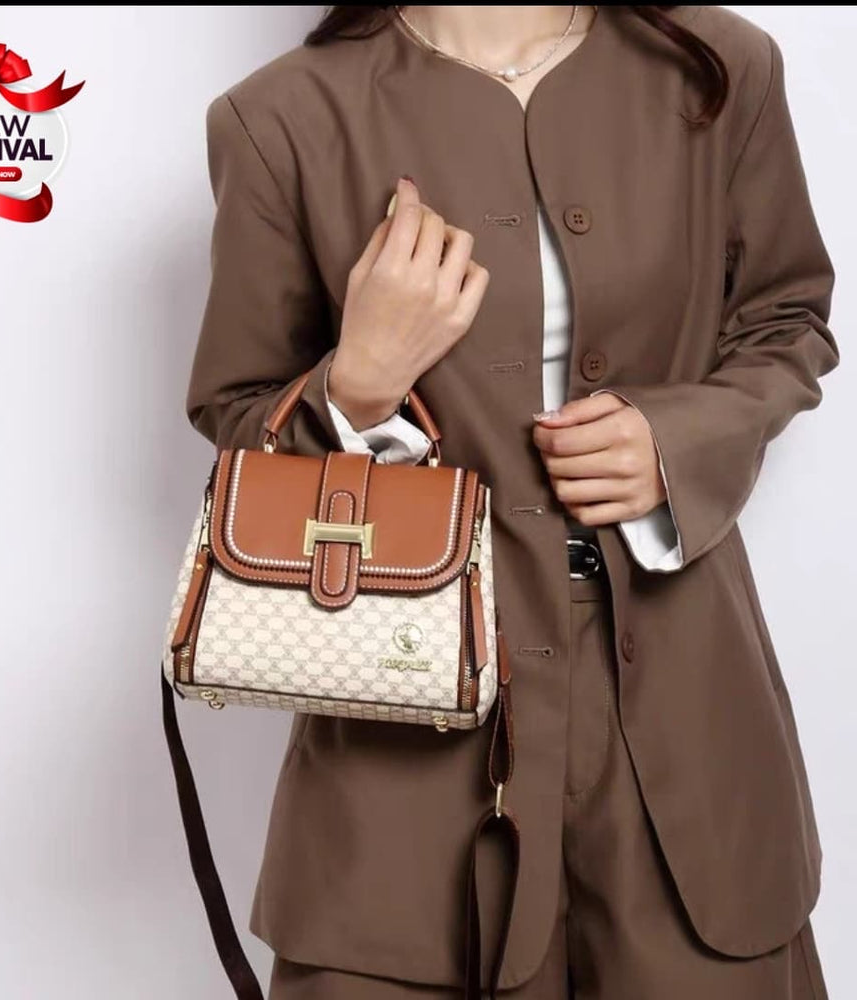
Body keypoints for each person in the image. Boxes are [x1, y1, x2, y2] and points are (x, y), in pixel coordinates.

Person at [184, 6, 839, 997]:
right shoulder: (280, 118)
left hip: (685, 712)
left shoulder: (718, 69)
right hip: (404, 718)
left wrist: (676, 440)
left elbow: (787, 319)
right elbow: (239, 415)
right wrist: (357, 385)